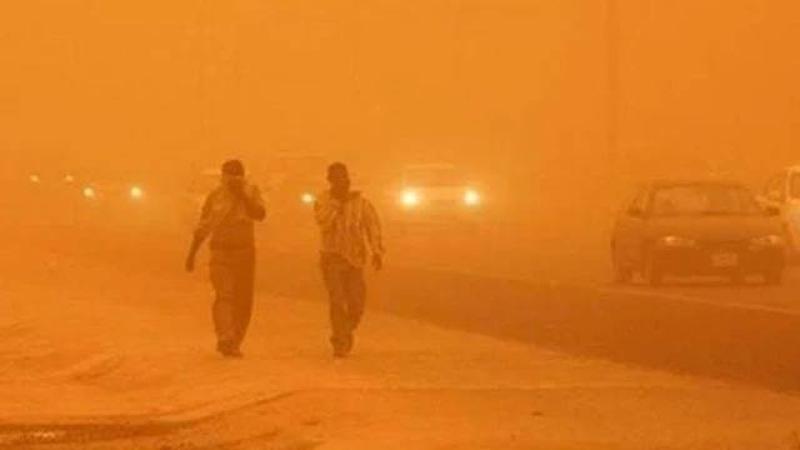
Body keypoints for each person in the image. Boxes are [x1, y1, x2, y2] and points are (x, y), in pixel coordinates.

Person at [185, 159, 266, 358]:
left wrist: (242, 196)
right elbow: (203, 225)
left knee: (243, 301)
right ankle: (225, 337)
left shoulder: (251, 192)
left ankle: (234, 341)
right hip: (221, 252)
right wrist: (192, 253)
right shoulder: (215, 196)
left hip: (245, 253)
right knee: (224, 296)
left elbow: (260, 214)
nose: (232, 179)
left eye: (236, 175)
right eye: (228, 175)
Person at [314, 162, 385, 358]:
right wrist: (337, 204)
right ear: (330, 181)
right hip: (332, 258)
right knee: (337, 301)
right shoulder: (323, 201)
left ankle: (344, 332)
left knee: (356, 303)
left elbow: (372, 226)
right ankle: (340, 341)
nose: (341, 182)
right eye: (336, 179)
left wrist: (376, 251)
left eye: (343, 178)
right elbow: (323, 222)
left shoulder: (361, 203)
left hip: (355, 259)